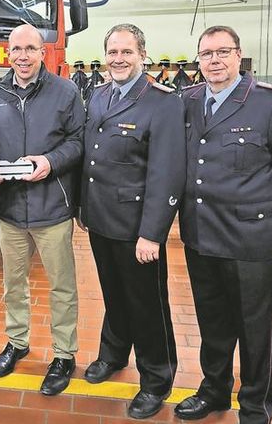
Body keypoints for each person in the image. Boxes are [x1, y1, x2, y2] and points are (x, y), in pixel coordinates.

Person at [174, 26, 272, 424]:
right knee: (213, 322)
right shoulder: (187, 101)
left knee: (255, 329)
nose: (214, 61)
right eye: (206, 54)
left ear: (239, 56)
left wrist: (267, 208)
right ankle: (214, 390)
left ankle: (255, 405)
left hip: (250, 239)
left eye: (223, 52)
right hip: (201, 235)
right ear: (198, 60)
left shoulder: (271, 103)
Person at [79, 23, 185, 419]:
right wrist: (84, 210)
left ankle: (156, 378)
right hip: (102, 219)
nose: (118, 59)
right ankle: (113, 354)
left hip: (138, 227)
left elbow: (167, 172)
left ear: (143, 54)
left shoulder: (163, 101)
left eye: (126, 52)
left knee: (147, 305)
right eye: (112, 52)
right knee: (114, 294)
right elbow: (93, 158)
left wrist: (152, 233)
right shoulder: (99, 93)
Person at [0, 24, 84, 395]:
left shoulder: (65, 91)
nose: (22, 56)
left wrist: (50, 161)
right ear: (7, 53)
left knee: (62, 287)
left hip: (52, 206)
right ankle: (17, 342)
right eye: (16, 49)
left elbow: (78, 141)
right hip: (9, 208)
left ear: (42, 52)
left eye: (30, 49)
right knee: (13, 284)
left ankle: (64, 354)